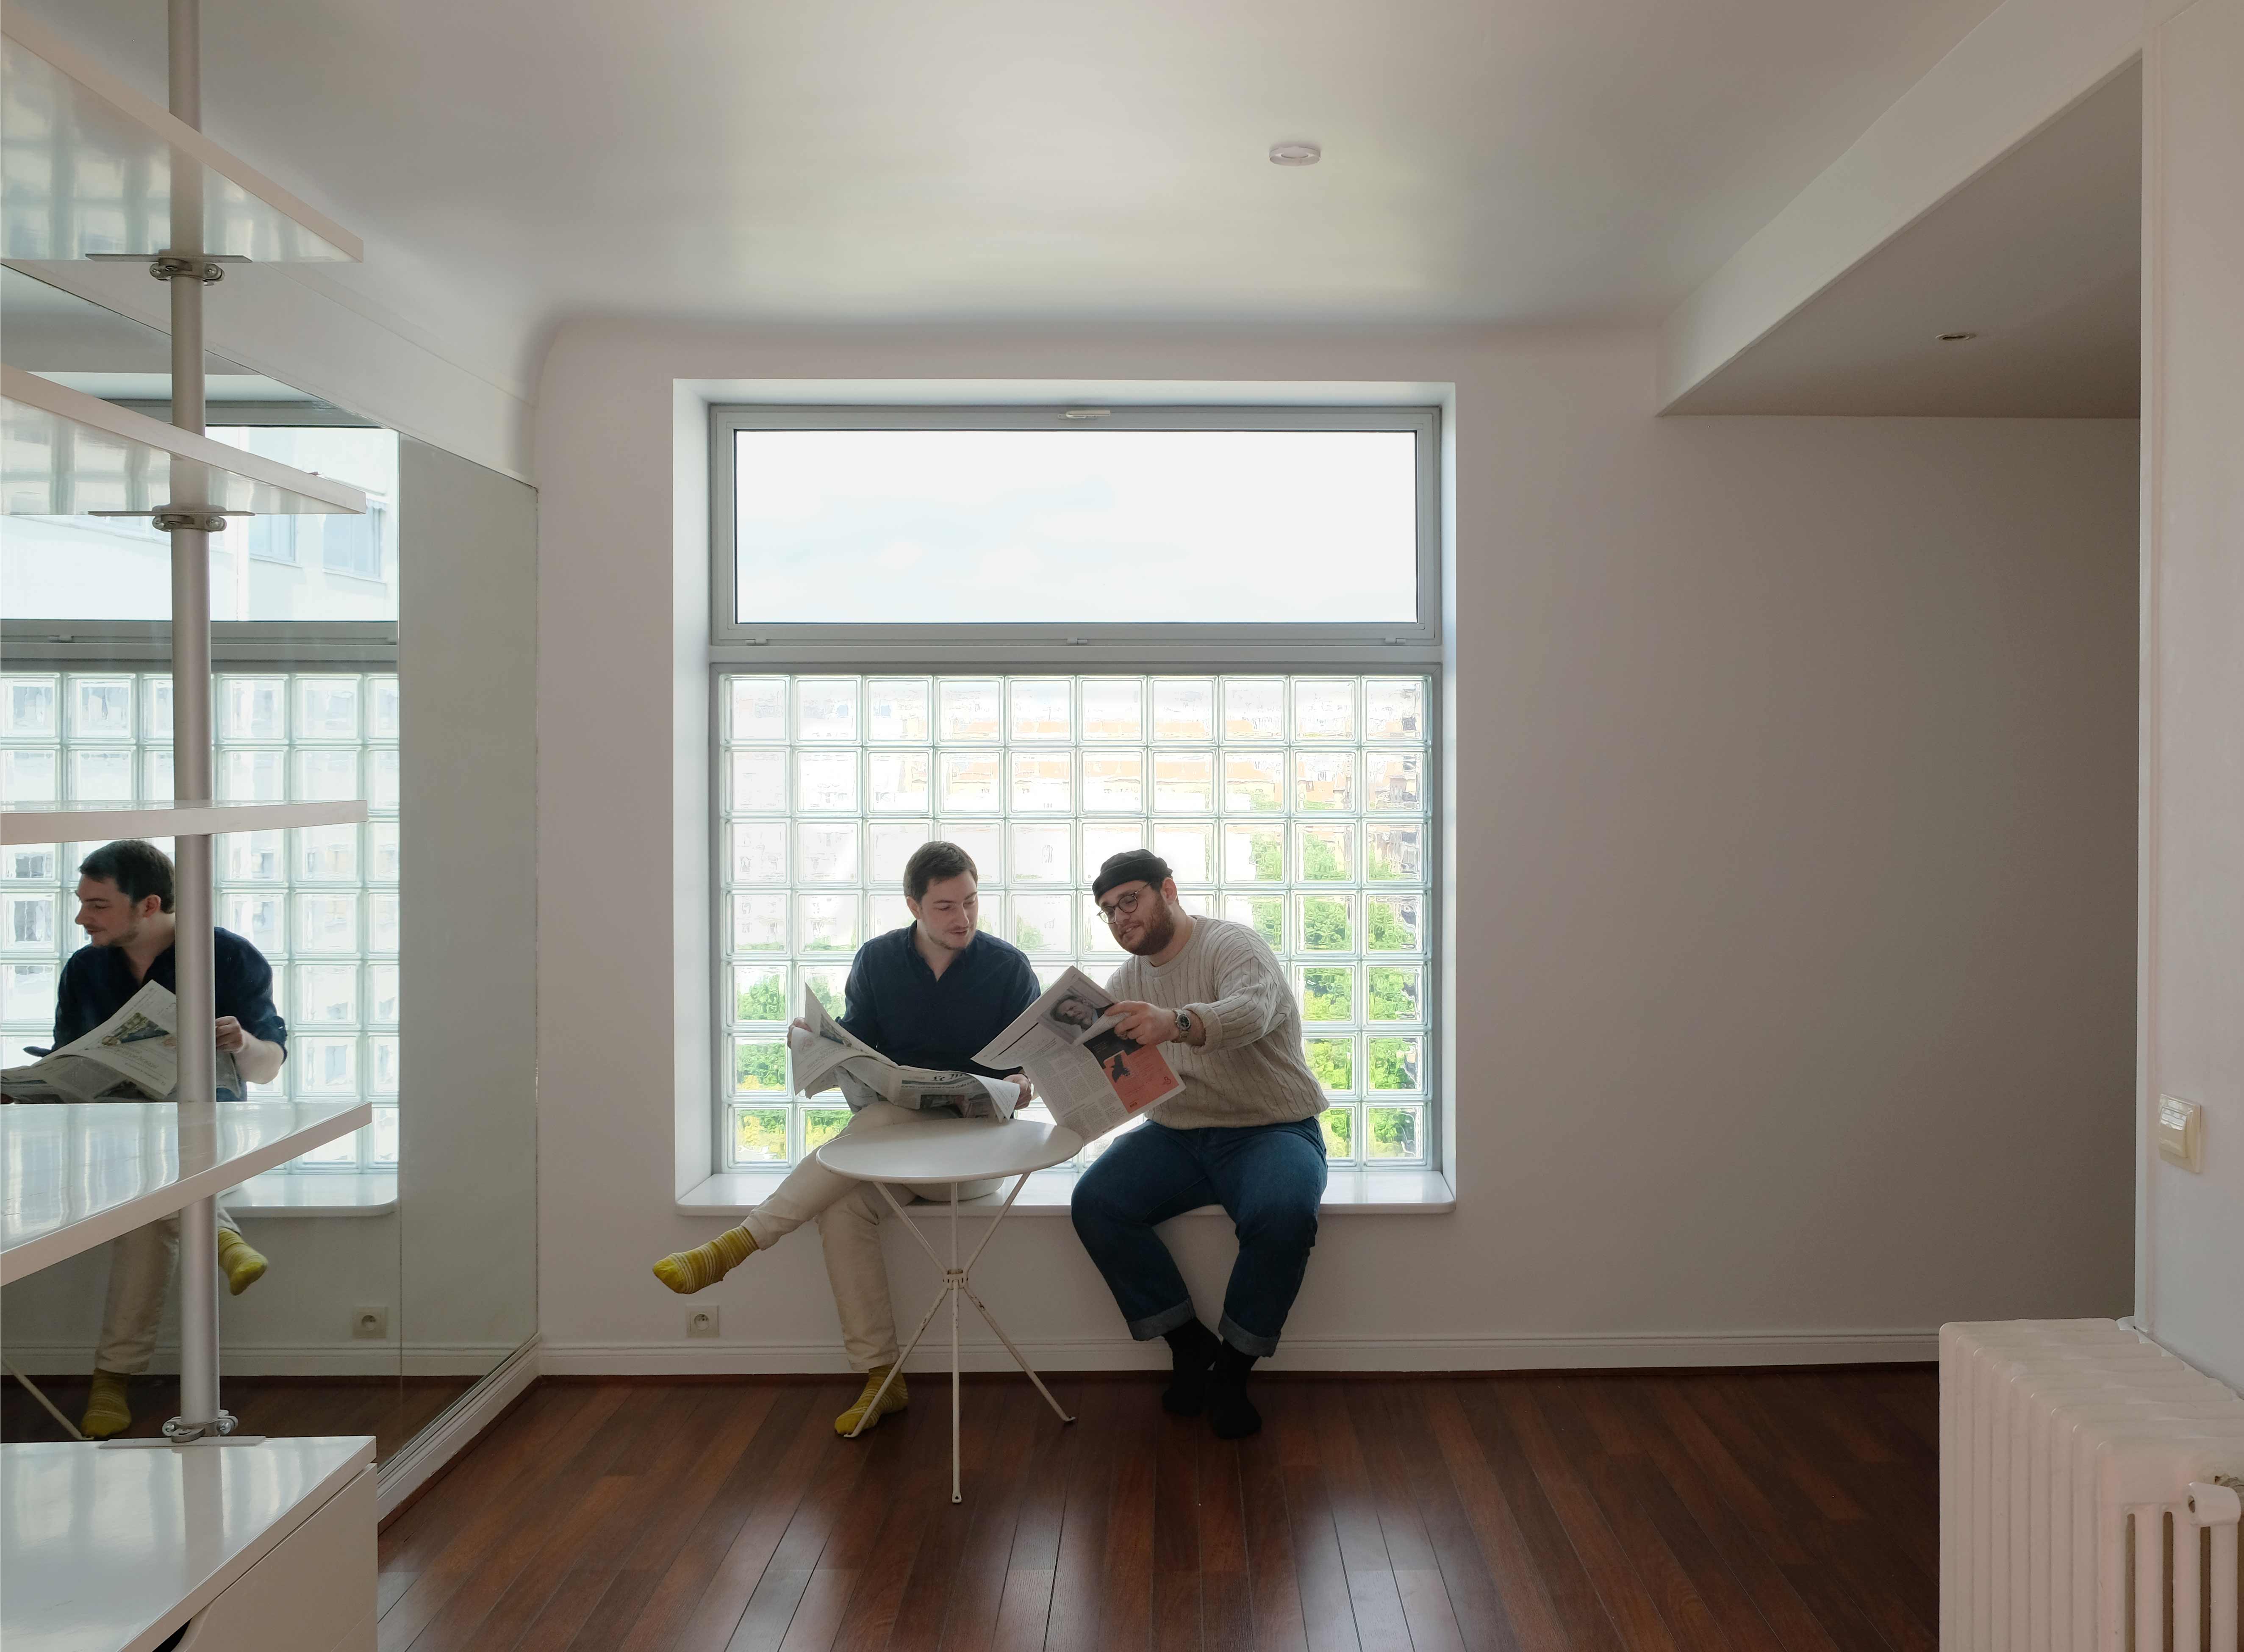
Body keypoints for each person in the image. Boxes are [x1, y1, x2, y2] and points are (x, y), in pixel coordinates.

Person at [652, 841, 1038, 1436]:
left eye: (970, 901)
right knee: (842, 1210)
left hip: (976, 1155)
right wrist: (812, 1044)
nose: (963, 917)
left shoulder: (1007, 969)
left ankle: (739, 1244)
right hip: (897, 1155)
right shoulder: (879, 960)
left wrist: (1022, 1083)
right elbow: (858, 1048)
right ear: (913, 905)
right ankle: (881, 1378)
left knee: (878, 1126)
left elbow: (1034, 1063)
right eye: (944, 907)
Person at [1069, 849, 1329, 1439]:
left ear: (1168, 890)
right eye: (1107, 911)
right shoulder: (1122, 984)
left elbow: (1253, 1011)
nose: (1119, 918)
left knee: (1283, 1214)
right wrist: (1037, 1080)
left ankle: (1233, 1371)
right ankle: (1189, 1345)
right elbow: (1108, 1077)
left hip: (1271, 1127)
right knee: (1097, 1202)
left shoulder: (1231, 944)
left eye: (1129, 901)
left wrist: (1176, 1023)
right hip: (1177, 1134)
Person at [57, 841, 289, 1439]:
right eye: (82, 902)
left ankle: (112, 1379)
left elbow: (268, 1068)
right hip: (118, 1142)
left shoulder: (229, 957)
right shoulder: (86, 967)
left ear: (150, 904)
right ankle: (222, 1237)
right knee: (154, 1187)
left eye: (98, 905)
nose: (82, 917)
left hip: (210, 1137)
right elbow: (66, 1064)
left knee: (149, 1204)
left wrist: (242, 1042)